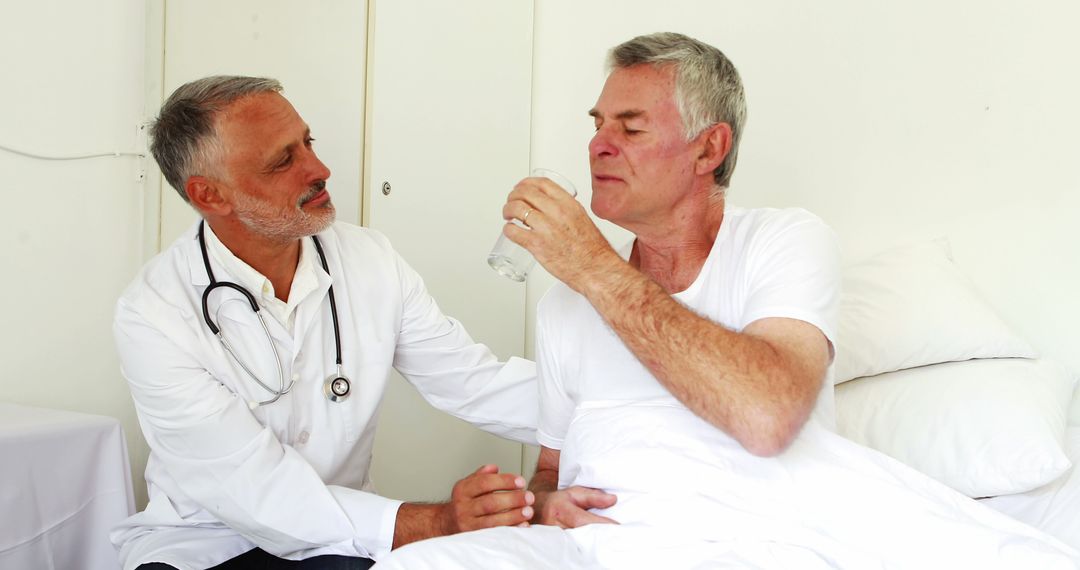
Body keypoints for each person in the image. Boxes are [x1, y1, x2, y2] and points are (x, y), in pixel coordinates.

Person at [372, 32, 1078, 569]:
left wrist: (593, 266)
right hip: (606, 543)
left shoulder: (783, 243)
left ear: (709, 148)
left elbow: (768, 416)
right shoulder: (567, 303)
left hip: (747, 534)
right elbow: (555, 470)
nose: (597, 145)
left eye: (630, 126)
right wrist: (544, 503)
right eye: (596, 122)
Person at [111, 76, 539, 570]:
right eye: (282, 161)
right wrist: (439, 521)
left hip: (339, 538)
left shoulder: (369, 259)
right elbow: (255, 489)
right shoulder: (154, 312)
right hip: (203, 542)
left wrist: (618, 408)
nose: (319, 169)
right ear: (210, 196)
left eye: (307, 142)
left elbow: (472, 380)